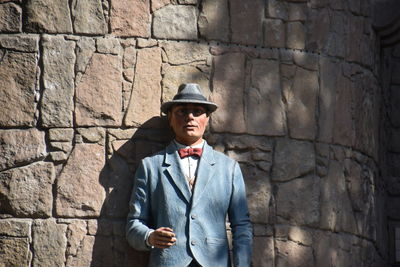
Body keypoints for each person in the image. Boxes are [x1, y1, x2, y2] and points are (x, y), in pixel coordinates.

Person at [126, 83, 253, 267]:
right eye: (182, 111)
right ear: (170, 118)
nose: (190, 117)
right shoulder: (150, 167)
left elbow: (241, 226)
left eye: (197, 111)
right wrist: (150, 237)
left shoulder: (228, 168)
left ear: (207, 119)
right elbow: (134, 224)